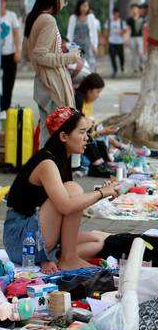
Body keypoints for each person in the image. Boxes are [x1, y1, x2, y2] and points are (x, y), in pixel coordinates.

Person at [4, 107, 119, 274]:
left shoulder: (61, 159)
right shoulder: (47, 163)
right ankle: (68, 258)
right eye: (81, 132)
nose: (87, 138)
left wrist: (102, 194)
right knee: (73, 189)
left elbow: (70, 209)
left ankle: (56, 257)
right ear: (64, 136)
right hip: (21, 239)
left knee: (98, 241)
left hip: (35, 233)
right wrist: (101, 193)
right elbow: (66, 206)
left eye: (87, 132)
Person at [23, 0, 81, 147]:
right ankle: (53, 168)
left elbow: (27, 54)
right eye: (64, 0)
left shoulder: (34, 18)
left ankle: (44, 166)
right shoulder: (48, 20)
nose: (64, 3)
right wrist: (70, 57)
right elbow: (39, 55)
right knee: (59, 133)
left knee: (47, 132)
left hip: (42, 81)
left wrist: (57, 50)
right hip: (53, 83)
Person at [74, 73, 121, 178]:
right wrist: (101, 131)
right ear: (89, 90)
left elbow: (90, 126)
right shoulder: (79, 99)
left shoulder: (85, 100)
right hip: (77, 134)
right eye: (97, 92)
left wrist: (101, 130)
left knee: (100, 141)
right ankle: (97, 165)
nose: (97, 96)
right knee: (88, 138)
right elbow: (79, 125)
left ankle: (104, 164)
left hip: (85, 131)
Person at [0, 0, 21, 112]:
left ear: (5, 3)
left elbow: (16, 34)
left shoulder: (11, 16)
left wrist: (17, 51)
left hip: (9, 54)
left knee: (8, 82)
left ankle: (5, 107)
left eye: (3, 1)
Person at [67, 0, 99, 71]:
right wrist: (69, 45)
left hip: (87, 45)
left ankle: (90, 79)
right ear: (79, 6)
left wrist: (95, 45)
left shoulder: (90, 17)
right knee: (78, 64)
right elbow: (70, 33)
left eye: (86, 6)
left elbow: (94, 33)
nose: (85, 8)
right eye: (83, 6)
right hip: (77, 46)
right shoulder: (73, 17)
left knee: (89, 63)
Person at [106, 8, 128, 78]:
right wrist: (106, 38)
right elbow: (106, 30)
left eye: (117, 13)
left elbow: (125, 30)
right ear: (113, 14)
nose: (116, 15)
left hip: (119, 42)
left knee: (121, 56)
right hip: (111, 41)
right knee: (112, 57)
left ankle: (122, 65)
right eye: (114, 13)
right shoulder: (109, 21)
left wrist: (121, 32)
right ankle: (115, 70)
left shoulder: (121, 22)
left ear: (118, 14)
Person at [126, 4, 145, 73]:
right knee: (133, 53)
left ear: (138, 10)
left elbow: (144, 28)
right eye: (133, 9)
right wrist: (127, 39)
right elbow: (128, 29)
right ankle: (135, 67)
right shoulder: (129, 19)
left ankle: (141, 64)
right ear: (131, 10)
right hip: (132, 38)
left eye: (136, 9)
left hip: (140, 37)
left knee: (140, 52)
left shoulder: (142, 18)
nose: (134, 10)